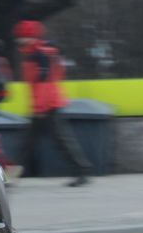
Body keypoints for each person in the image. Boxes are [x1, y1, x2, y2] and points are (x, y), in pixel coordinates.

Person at [14, 20, 92, 186]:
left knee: (54, 142)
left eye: (22, 37)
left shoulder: (39, 55)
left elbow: (44, 83)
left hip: (47, 106)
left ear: (31, 37)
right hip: (45, 105)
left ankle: (82, 172)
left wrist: (40, 108)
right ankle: (82, 171)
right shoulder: (41, 53)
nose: (19, 40)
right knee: (31, 144)